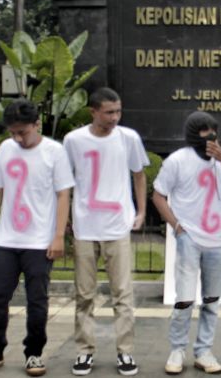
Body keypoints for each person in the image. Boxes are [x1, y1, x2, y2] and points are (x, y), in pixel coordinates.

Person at [0, 100, 73, 377]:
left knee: (37, 300)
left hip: (39, 242)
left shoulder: (55, 152)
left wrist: (58, 236)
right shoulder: (6, 149)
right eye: (13, 132)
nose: (17, 138)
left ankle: (34, 353)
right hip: (6, 239)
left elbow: (64, 194)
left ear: (37, 125)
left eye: (22, 132)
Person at [63, 88, 148, 377]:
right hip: (85, 226)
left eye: (118, 111)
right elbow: (64, 180)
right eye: (109, 112)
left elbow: (139, 174)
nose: (114, 117)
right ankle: (84, 352)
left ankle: (125, 352)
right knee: (84, 294)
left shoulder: (129, 138)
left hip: (117, 226)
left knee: (122, 293)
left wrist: (140, 212)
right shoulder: (73, 140)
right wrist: (64, 217)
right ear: (93, 112)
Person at [152, 112, 221, 375]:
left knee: (212, 299)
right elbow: (158, 195)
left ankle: (204, 350)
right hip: (189, 238)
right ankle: (177, 349)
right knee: (184, 298)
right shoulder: (177, 161)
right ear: (194, 134)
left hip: (218, 241)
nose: (211, 137)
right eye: (206, 132)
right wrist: (177, 226)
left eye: (214, 131)